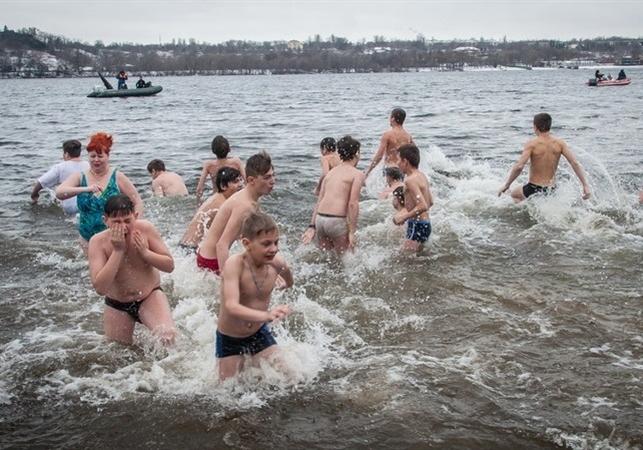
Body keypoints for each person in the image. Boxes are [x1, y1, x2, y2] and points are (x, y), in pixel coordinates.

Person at [88, 194, 176, 346]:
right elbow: (100, 288)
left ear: (135, 216)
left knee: (168, 338)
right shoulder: (98, 242)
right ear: (105, 221)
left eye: (128, 221)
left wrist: (145, 253)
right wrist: (118, 251)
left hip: (149, 296)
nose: (123, 226)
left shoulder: (146, 229)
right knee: (118, 353)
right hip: (117, 304)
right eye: (116, 222)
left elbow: (169, 266)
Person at [216, 211, 293, 380]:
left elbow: (287, 275)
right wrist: (266, 315)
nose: (273, 249)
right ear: (246, 243)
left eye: (276, 242)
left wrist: (286, 282)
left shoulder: (276, 263)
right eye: (266, 244)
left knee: (289, 378)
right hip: (230, 339)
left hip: (259, 333)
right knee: (227, 394)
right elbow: (231, 305)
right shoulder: (235, 264)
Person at [56, 132, 143, 247]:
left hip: (114, 236)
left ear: (107, 156)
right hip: (87, 238)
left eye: (100, 156)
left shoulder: (117, 176)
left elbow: (137, 202)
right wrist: (86, 189)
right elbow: (60, 193)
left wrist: (133, 226)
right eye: (92, 156)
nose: (96, 160)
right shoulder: (80, 176)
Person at [197, 152, 274, 274]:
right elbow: (222, 245)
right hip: (211, 262)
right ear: (251, 180)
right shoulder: (244, 206)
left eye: (272, 176)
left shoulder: (250, 199)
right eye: (267, 177)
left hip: (206, 256)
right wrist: (227, 281)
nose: (273, 181)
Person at [498, 113, 591, 202]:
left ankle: (526, 215)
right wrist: (585, 185)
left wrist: (507, 185)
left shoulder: (532, 144)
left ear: (535, 127)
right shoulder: (560, 143)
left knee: (514, 195)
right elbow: (574, 163)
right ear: (549, 126)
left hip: (533, 188)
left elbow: (519, 166)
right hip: (552, 189)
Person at [302, 136, 365, 253]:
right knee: (345, 259)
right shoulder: (357, 174)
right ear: (357, 153)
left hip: (320, 219)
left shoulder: (330, 174)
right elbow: (353, 204)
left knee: (326, 259)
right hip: (336, 221)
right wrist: (352, 232)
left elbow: (319, 201)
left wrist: (312, 226)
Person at [180, 167, 243, 251]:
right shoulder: (222, 205)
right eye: (235, 182)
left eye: (240, 180)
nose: (240, 184)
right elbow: (234, 234)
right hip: (191, 250)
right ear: (223, 186)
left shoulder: (217, 197)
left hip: (185, 246)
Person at [393, 144, 434, 252]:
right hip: (426, 224)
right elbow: (430, 202)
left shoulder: (410, 180)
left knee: (406, 260)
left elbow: (423, 205)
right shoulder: (422, 176)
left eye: (398, 160)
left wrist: (404, 217)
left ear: (405, 161)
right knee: (417, 259)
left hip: (417, 225)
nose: (397, 163)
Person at [30, 139, 89, 215]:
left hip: (69, 208)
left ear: (66, 154)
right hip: (87, 205)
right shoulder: (88, 165)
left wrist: (34, 195)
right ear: (79, 153)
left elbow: (41, 182)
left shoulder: (60, 167)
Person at [363, 108, 413, 180]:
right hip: (402, 169)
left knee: (389, 190)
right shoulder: (408, 136)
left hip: (390, 169)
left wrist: (368, 171)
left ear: (392, 118)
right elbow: (414, 154)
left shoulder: (388, 135)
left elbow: (379, 155)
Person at [195, 135, 245, 204]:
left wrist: (199, 204)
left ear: (213, 151)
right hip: (235, 197)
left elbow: (199, 189)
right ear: (229, 149)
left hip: (218, 199)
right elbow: (247, 182)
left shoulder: (209, 165)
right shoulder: (236, 162)